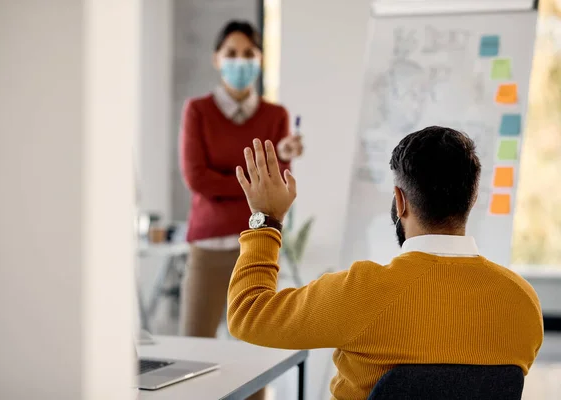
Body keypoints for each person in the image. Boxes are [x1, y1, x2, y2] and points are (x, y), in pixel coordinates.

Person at [228, 127, 543, 400]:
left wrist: (266, 221)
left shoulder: (362, 291)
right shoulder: (522, 301)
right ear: (472, 199)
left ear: (400, 200)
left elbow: (247, 314)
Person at [179, 21, 303, 338]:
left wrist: (281, 154)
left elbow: (275, 183)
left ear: (260, 59)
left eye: (249, 53)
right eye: (231, 53)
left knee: (254, 351)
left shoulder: (276, 117)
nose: (240, 60)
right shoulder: (198, 111)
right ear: (216, 58)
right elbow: (197, 179)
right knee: (196, 343)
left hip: (258, 243)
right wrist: (254, 185)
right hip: (209, 245)